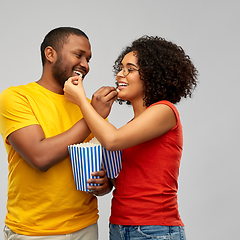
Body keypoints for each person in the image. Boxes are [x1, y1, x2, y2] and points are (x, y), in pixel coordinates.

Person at [64, 35, 198, 240]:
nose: (120, 74)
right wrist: (107, 184)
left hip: (155, 230)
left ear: (152, 75)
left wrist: (81, 99)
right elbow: (132, 179)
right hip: (119, 227)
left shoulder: (165, 111)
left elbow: (112, 140)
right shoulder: (130, 128)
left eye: (130, 69)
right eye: (121, 68)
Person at [0, 27, 118, 240]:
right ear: (50, 54)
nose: (85, 65)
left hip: (86, 226)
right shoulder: (16, 97)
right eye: (78, 55)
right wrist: (92, 116)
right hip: (34, 232)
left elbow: (106, 164)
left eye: (88, 58)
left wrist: (105, 183)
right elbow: (40, 157)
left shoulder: (88, 107)